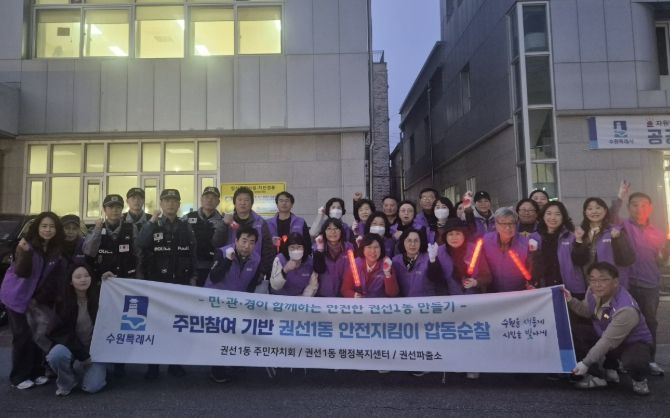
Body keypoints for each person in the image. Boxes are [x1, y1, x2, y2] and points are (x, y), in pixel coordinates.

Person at [564, 262, 654, 395]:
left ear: (615, 282)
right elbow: (587, 311)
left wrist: (585, 363)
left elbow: (608, 341)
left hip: (632, 343)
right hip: (606, 335)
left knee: (634, 361)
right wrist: (570, 300)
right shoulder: (592, 291)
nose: (597, 284)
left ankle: (639, 379)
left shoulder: (626, 309)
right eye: (592, 279)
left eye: (603, 280)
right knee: (575, 332)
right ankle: (597, 376)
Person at [0, 212, 66, 390]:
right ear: (37, 227)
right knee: (22, 336)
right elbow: (21, 271)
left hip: (35, 299)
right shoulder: (26, 245)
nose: (47, 230)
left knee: (38, 334)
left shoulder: (54, 248)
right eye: (44, 226)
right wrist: (24, 253)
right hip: (16, 296)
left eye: (51, 226)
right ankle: (18, 377)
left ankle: (36, 372)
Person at [137, 189, 197, 380]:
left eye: (174, 201)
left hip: (180, 283)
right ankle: (153, 366)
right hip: (156, 283)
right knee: (155, 325)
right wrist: (151, 222)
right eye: (167, 201)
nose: (171, 204)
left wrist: (193, 277)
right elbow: (140, 243)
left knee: (177, 326)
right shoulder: (153, 224)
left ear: (179, 204)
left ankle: (175, 364)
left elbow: (193, 253)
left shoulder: (185, 226)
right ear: (161, 204)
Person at [611, 181, 667, 376]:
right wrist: (620, 196)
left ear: (650, 208)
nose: (639, 208)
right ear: (629, 207)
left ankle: (649, 360)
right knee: (624, 322)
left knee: (650, 322)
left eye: (644, 205)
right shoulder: (623, 226)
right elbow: (611, 216)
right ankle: (622, 359)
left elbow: (660, 260)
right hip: (627, 284)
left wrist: (664, 254)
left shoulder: (658, 233)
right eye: (634, 205)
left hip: (650, 285)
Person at [531, 201, 595, 361]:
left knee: (575, 330)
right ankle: (557, 363)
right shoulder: (535, 237)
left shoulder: (572, 235)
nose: (553, 218)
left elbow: (581, 260)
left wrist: (579, 241)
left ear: (564, 217)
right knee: (551, 329)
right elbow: (531, 265)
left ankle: (581, 364)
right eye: (549, 213)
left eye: (557, 214)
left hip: (570, 290)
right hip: (546, 291)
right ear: (542, 216)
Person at [205, 226, 261, 384]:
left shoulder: (256, 259)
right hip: (217, 301)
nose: (247, 246)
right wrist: (228, 261)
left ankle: (233, 363)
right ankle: (217, 370)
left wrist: (247, 303)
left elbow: (252, 284)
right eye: (244, 241)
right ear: (236, 241)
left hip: (237, 302)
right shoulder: (222, 252)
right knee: (220, 336)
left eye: (251, 242)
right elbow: (214, 277)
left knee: (236, 333)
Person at [46, 264, 106, 396]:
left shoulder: (100, 298)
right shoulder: (63, 302)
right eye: (78, 277)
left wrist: (111, 280)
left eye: (86, 276)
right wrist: (83, 356)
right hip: (72, 346)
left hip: (95, 350)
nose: (83, 279)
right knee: (56, 355)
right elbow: (58, 332)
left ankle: (92, 370)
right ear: (71, 281)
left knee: (92, 387)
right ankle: (67, 382)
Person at [213, 187, 277, 285]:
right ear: (234, 202)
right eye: (240, 200)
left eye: (246, 200)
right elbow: (216, 243)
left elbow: (268, 249)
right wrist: (224, 224)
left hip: (253, 270)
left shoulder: (260, 223)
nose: (243, 203)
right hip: (228, 269)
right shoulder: (226, 221)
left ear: (252, 203)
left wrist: (262, 271)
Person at [571, 197, 635, 289]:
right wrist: (578, 240)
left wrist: (617, 239)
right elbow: (578, 261)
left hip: (613, 285)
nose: (594, 211)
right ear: (585, 212)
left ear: (605, 211)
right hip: (591, 284)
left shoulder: (615, 230)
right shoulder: (581, 233)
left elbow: (628, 260)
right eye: (590, 209)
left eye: (598, 208)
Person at [472, 207, 534, 293]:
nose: (508, 227)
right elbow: (481, 267)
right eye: (503, 223)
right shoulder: (486, 240)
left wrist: (531, 283)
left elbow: (532, 269)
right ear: (496, 224)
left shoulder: (525, 243)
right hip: (493, 293)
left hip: (519, 292)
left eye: (511, 223)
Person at [83, 194, 140, 286]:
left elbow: (138, 254)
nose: (115, 210)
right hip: (102, 280)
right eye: (111, 207)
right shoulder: (96, 229)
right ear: (104, 209)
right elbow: (89, 252)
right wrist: (97, 230)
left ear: (122, 209)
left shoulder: (131, 228)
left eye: (118, 207)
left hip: (126, 279)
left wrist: (138, 277)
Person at [183, 187, 224, 287]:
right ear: (201, 199)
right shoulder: (187, 218)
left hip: (212, 268)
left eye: (213, 198)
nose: (209, 200)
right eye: (207, 197)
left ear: (218, 202)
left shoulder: (223, 221)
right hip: (190, 267)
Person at [438, 218, 489, 296]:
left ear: (464, 235)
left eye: (458, 233)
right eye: (450, 234)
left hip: (473, 297)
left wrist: (476, 282)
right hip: (450, 299)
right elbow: (435, 280)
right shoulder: (439, 252)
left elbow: (487, 276)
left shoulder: (475, 250)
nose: (454, 237)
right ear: (446, 237)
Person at [392, 229, 445, 297]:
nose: (413, 244)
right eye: (409, 240)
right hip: (405, 302)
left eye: (416, 241)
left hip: (425, 301)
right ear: (403, 242)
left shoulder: (429, 258)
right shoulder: (395, 261)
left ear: (421, 242)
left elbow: (437, 279)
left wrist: (433, 261)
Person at [312, 219, 354, 297]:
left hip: (343, 294)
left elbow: (352, 271)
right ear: (324, 232)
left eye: (336, 229)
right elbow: (318, 270)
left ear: (341, 231)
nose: (333, 232)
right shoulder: (317, 247)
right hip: (322, 295)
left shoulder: (349, 248)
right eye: (329, 229)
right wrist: (320, 250)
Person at [122, 187, 151, 278]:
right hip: (126, 268)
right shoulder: (120, 219)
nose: (137, 201)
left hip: (148, 268)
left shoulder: (152, 219)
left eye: (140, 198)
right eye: (133, 198)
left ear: (143, 200)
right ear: (127, 201)